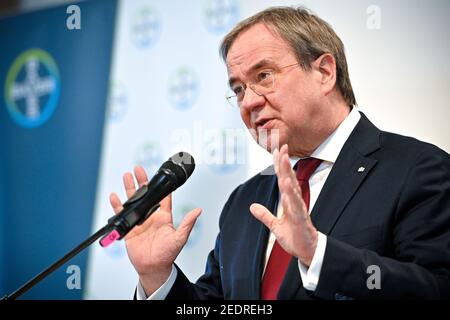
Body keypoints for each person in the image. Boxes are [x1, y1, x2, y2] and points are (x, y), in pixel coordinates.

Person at [109, 6, 450, 299]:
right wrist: (157, 276)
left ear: (324, 72)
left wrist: (320, 256)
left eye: (264, 75)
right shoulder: (245, 200)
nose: (250, 101)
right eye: (239, 89)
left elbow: (437, 288)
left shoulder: (418, 169)